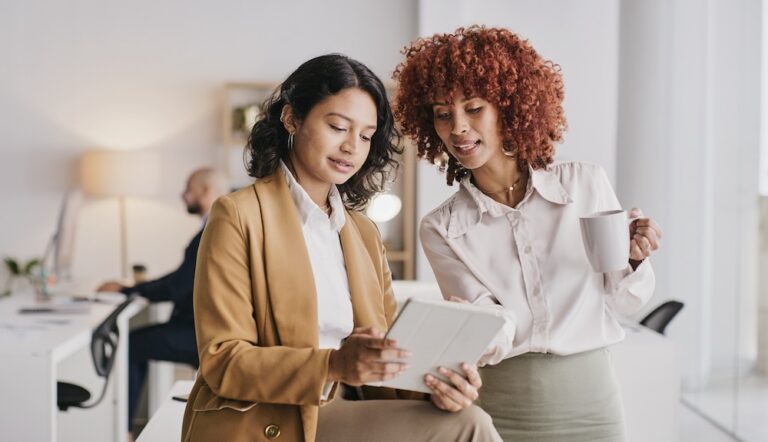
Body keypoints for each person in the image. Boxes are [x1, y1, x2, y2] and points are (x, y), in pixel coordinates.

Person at [181, 54, 501, 442]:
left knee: (466, 416)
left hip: (349, 406)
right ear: (291, 119)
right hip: (273, 416)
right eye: (337, 127)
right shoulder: (238, 215)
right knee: (472, 429)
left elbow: (387, 355)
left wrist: (441, 384)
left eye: (366, 136)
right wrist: (332, 364)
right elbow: (222, 361)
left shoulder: (363, 233)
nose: (352, 146)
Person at [393, 26, 663, 441]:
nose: (458, 128)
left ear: (509, 106)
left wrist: (633, 260)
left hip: (591, 401)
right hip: (500, 406)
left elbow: (624, 300)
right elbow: (488, 328)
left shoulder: (584, 185)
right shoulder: (441, 228)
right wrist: (448, 337)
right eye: (443, 114)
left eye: (474, 108)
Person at [96, 168, 229, 433]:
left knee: (132, 344)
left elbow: (178, 287)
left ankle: (123, 431)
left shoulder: (214, 229)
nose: (183, 195)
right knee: (137, 341)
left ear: (205, 191)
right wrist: (135, 288)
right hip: (207, 328)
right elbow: (181, 280)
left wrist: (128, 290)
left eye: (188, 188)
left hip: (202, 335)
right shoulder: (216, 225)